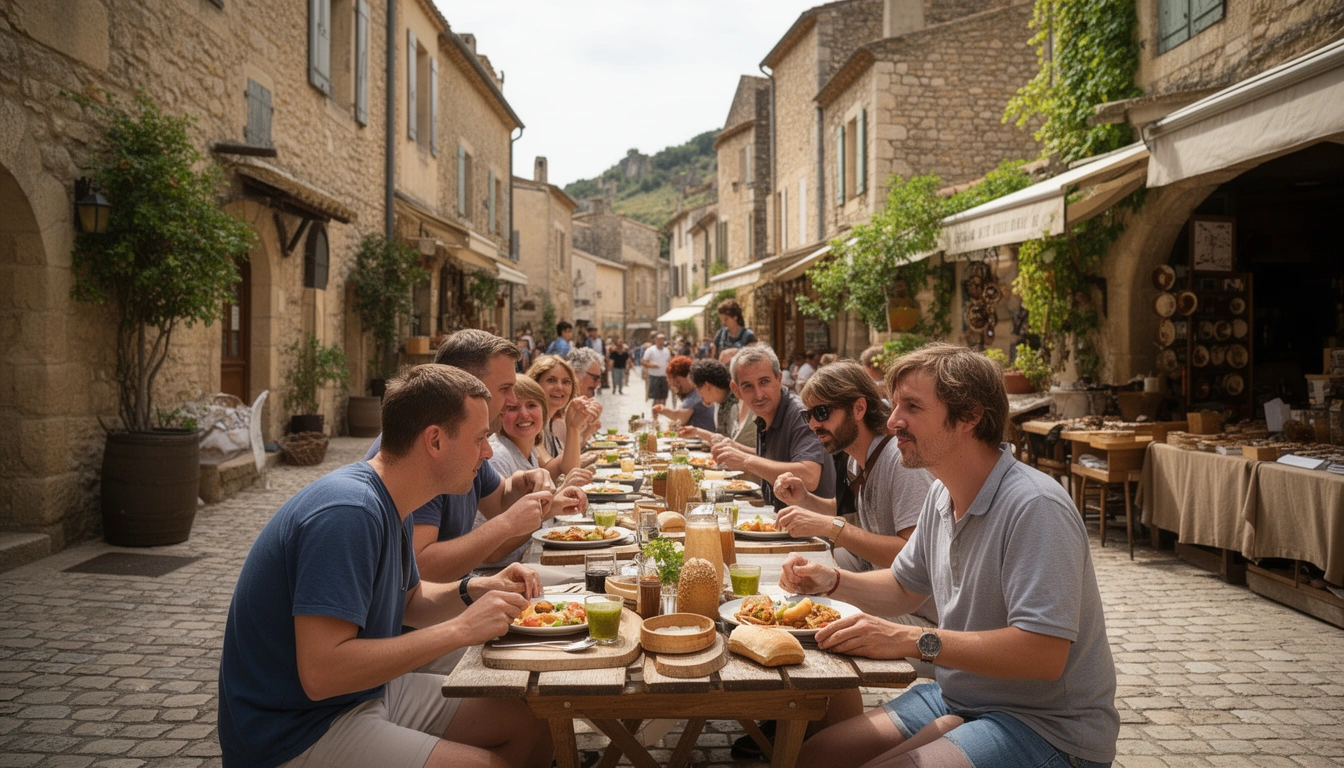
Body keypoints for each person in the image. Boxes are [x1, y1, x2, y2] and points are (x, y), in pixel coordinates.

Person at [788, 343, 1119, 768]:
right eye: (895, 404)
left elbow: (1042, 653)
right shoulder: (942, 493)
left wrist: (910, 640)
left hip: (1047, 728)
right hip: (960, 696)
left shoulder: (1035, 506)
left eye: (911, 406)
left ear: (969, 416)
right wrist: (830, 581)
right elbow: (905, 586)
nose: (892, 421)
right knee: (817, 757)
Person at [219, 364, 553, 768]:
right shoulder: (348, 511)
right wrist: (461, 629)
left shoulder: (394, 497)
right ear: (434, 440)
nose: (487, 452)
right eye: (480, 438)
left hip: (363, 694)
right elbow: (322, 672)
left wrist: (473, 590)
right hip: (295, 728)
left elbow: (411, 599)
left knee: (536, 717)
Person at [363, 330, 583, 583]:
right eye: (505, 388)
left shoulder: (468, 438)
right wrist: (507, 526)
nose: (512, 399)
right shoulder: (425, 445)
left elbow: (499, 499)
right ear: (466, 384)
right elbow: (420, 569)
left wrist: (524, 480)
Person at [711, 345, 835, 509]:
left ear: (779, 379)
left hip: (815, 530)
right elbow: (775, 460)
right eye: (748, 386)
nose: (759, 394)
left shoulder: (801, 414)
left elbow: (809, 476)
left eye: (764, 382)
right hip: (782, 523)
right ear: (736, 390)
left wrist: (745, 460)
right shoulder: (766, 414)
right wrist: (735, 449)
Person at [475, 375, 569, 569]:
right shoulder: (496, 456)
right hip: (495, 574)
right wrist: (545, 511)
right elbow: (491, 554)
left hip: (525, 564)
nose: (524, 414)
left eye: (531, 405)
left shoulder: (529, 453)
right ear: (499, 414)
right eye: (512, 408)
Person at [527, 355, 596, 479]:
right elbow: (556, 471)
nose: (559, 387)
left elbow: (567, 468)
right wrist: (573, 427)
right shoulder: (528, 423)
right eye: (551, 380)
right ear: (535, 384)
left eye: (566, 382)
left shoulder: (549, 422)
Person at [654, 355, 715, 432]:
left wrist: (662, 410)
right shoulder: (693, 393)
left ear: (687, 377)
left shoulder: (696, 394)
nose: (677, 386)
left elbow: (680, 418)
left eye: (678, 382)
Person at [642, 333, 672, 408]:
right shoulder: (650, 350)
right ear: (656, 340)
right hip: (654, 376)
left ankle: (662, 414)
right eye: (659, 339)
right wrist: (651, 365)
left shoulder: (667, 350)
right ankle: (655, 417)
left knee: (664, 398)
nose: (660, 341)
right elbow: (643, 361)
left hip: (664, 376)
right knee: (656, 398)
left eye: (662, 340)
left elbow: (669, 361)